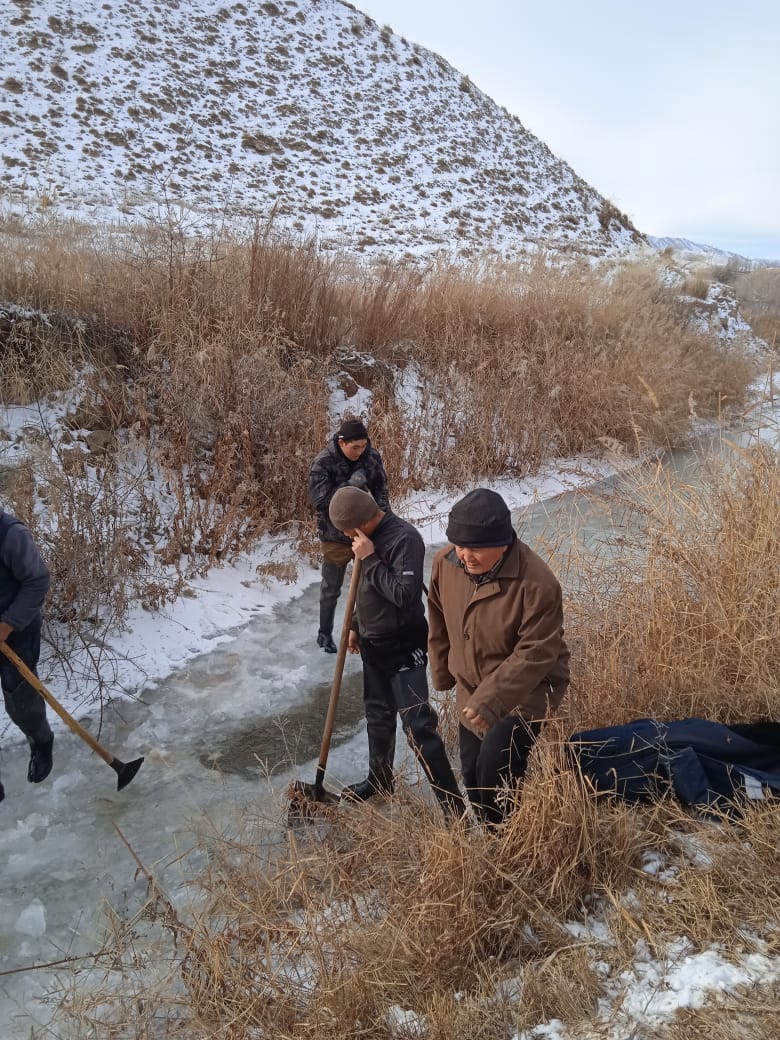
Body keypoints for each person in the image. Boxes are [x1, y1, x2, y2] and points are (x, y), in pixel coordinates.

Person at [427, 488, 569, 827]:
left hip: (528, 688)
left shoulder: (537, 582)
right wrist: (444, 674)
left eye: (476, 547)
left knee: (496, 773)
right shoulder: (446, 563)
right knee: (473, 776)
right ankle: (494, 835)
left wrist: (491, 701)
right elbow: (437, 618)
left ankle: (511, 839)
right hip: (472, 684)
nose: (465, 555)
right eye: (460, 545)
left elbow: (536, 652)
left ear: (503, 543)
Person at [327, 486, 465, 820]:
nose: (346, 537)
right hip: (374, 645)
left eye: (347, 531)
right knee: (377, 716)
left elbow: (403, 595)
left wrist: (371, 557)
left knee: (418, 727)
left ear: (361, 523)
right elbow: (363, 587)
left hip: (404, 646)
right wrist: (357, 626)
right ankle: (380, 780)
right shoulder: (363, 542)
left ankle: (453, 808)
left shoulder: (405, 538)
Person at [308, 419, 389, 653]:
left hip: (365, 532)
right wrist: (349, 486)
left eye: (363, 446)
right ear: (341, 443)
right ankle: (324, 633)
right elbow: (319, 500)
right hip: (335, 535)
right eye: (355, 447)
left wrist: (385, 520)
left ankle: (360, 629)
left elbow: (381, 488)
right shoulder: (323, 462)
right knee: (331, 587)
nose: (360, 451)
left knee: (367, 584)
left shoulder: (371, 457)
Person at [0, 507, 54, 804]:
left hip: (18, 627)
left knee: (20, 699)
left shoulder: (11, 535)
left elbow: (37, 582)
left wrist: (6, 626)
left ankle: (42, 743)